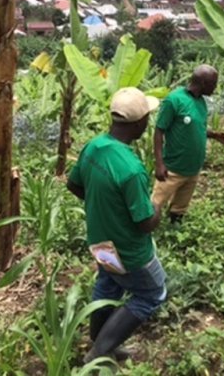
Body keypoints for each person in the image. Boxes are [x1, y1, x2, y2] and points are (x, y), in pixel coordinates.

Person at [67, 87, 167, 364]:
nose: (148, 123)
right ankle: (99, 353)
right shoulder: (131, 169)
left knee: (108, 284)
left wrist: (104, 207)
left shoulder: (93, 147)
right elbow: (146, 223)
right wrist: (158, 206)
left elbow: (74, 184)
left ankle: (101, 343)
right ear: (138, 123)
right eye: (147, 117)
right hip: (131, 250)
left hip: (100, 242)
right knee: (151, 294)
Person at [152, 65, 224, 223]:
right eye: (213, 84)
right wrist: (159, 163)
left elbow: (197, 127)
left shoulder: (201, 102)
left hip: (193, 169)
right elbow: (159, 131)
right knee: (153, 206)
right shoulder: (174, 100)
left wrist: (214, 135)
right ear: (203, 83)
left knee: (179, 208)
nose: (215, 87)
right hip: (173, 168)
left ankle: (175, 230)